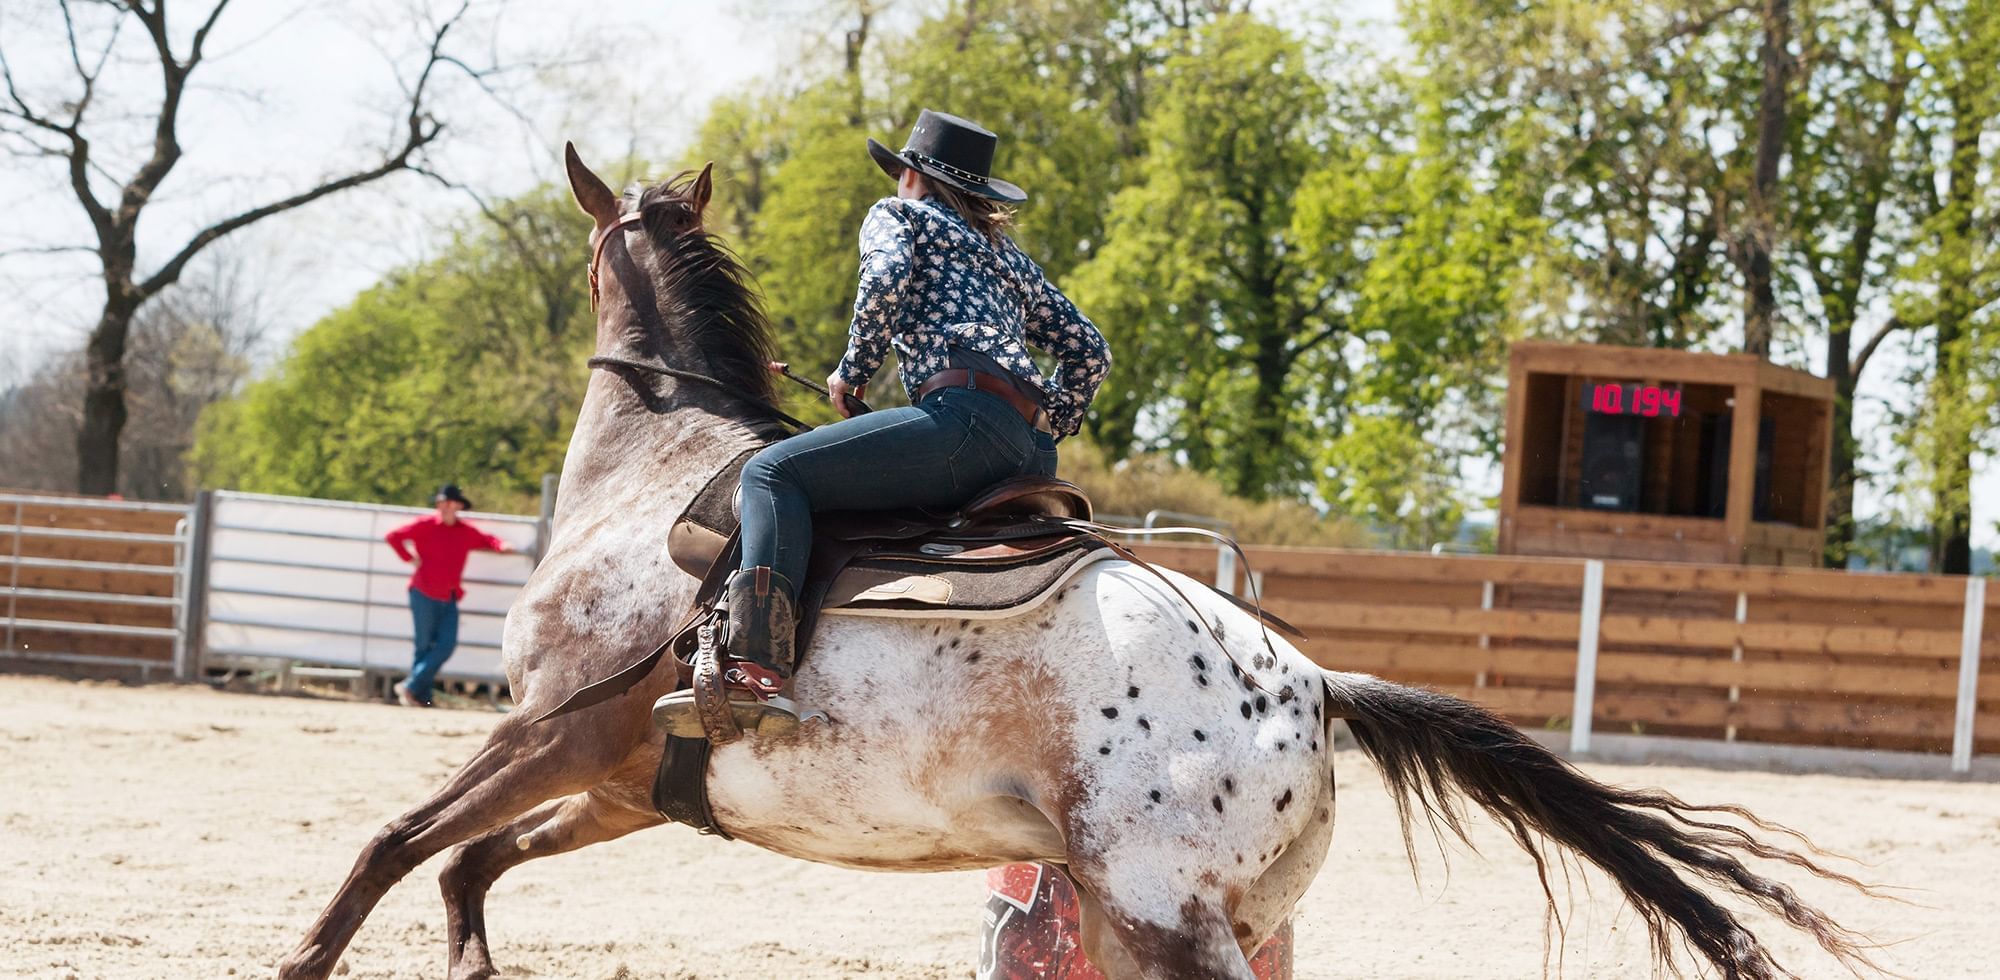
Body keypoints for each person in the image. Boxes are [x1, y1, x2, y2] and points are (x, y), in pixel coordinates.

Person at [655, 109, 1112, 736]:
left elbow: (886, 277)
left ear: (910, 176)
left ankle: (755, 667)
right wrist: (1052, 419)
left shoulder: (898, 216)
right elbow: (1091, 350)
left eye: (900, 171)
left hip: (962, 425)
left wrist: (853, 370)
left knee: (770, 474)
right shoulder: (1008, 258)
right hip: (1029, 454)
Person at [384, 483, 513, 707]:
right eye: (441, 503)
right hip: (423, 591)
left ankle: (411, 687)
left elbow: (487, 540)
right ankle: (420, 696)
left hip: (449, 595)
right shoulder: (425, 525)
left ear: (458, 506)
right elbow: (393, 536)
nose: (444, 507)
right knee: (424, 646)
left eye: (449, 503)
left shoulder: (464, 531)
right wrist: (408, 558)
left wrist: (501, 545)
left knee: (446, 645)